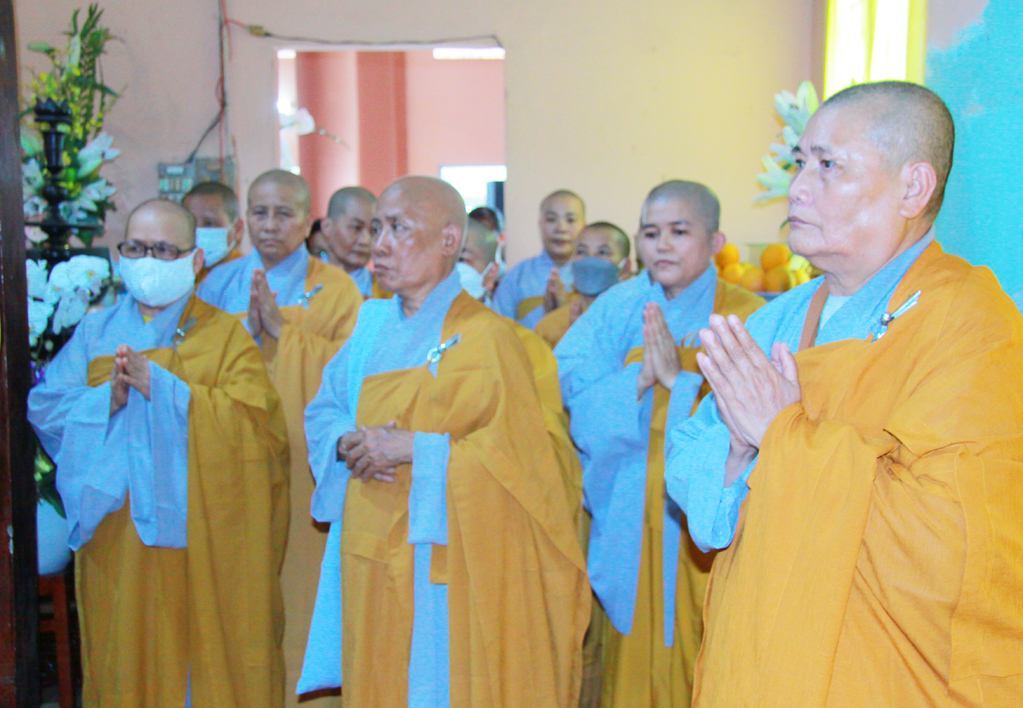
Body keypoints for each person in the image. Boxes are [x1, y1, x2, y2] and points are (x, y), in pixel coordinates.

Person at [667, 81, 1023, 707]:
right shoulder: (777, 319)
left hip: (880, 674)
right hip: (764, 650)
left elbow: (961, 541)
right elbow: (694, 476)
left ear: (913, 188)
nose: (798, 189)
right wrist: (739, 453)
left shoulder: (971, 324)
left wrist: (782, 434)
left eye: (829, 166)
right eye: (799, 163)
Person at [299, 176, 590, 708]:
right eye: (376, 228)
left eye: (398, 228)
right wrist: (345, 441)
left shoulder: (489, 338)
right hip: (369, 549)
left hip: (445, 563)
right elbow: (324, 407)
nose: (379, 244)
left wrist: (419, 450)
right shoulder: (370, 326)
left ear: (449, 240)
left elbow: (529, 466)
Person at [27, 199, 289, 708]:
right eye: (137, 248)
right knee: (124, 660)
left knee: (200, 664)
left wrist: (167, 392)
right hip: (117, 538)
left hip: (201, 539)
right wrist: (108, 400)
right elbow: (46, 406)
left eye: (164, 249)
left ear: (195, 260)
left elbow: (260, 432)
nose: (148, 260)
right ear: (119, 254)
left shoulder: (225, 336)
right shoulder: (96, 332)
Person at [556, 181, 765, 708]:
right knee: (623, 653)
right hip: (624, 504)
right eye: (651, 233)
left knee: (700, 641)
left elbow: (763, 417)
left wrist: (679, 382)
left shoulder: (747, 313)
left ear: (715, 241)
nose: (662, 245)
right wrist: (638, 380)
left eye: (679, 232)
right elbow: (567, 387)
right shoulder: (617, 307)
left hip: (700, 517)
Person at [198, 169, 362, 708]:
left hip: (301, 467)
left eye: (284, 213)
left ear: (307, 220)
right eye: (260, 213)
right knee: (236, 587)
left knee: (303, 589)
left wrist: (284, 332)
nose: (270, 225)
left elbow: (352, 377)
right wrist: (243, 333)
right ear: (244, 219)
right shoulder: (216, 284)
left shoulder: (338, 289)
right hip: (231, 460)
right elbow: (193, 367)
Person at [493, 190, 585, 328]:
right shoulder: (517, 277)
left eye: (570, 220)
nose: (561, 228)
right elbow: (498, 329)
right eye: (551, 219)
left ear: (584, 226)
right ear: (540, 224)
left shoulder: (593, 276)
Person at [535, 221, 632, 349]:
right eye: (581, 252)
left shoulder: (635, 321)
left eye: (603, 252)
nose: (590, 260)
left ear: (625, 268)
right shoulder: (549, 327)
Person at [319, 186, 386, 298]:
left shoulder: (388, 293)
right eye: (356, 228)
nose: (366, 240)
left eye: (374, 230)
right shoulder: (301, 281)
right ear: (327, 227)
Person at [182, 181, 244, 281]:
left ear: (237, 229)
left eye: (209, 223)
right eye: (191, 223)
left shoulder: (251, 277)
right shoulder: (180, 277)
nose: (198, 232)